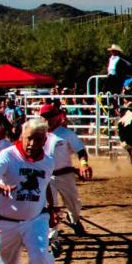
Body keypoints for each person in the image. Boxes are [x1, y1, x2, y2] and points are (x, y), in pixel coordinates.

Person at [0, 117, 66, 264]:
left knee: (42, 254)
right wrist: (2, 187)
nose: (32, 144)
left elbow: (47, 185)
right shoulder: (8, 156)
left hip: (35, 219)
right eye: (29, 139)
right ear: (21, 137)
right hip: (4, 220)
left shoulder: (47, 161)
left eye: (38, 139)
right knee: (8, 262)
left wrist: (51, 209)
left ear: (45, 140)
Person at [40, 102, 92, 238]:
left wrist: (84, 164)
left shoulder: (66, 134)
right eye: (45, 116)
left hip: (65, 175)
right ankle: (53, 237)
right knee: (51, 206)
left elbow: (80, 150)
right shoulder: (38, 133)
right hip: (46, 176)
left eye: (50, 116)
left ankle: (74, 219)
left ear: (57, 117)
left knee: (73, 204)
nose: (48, 119)